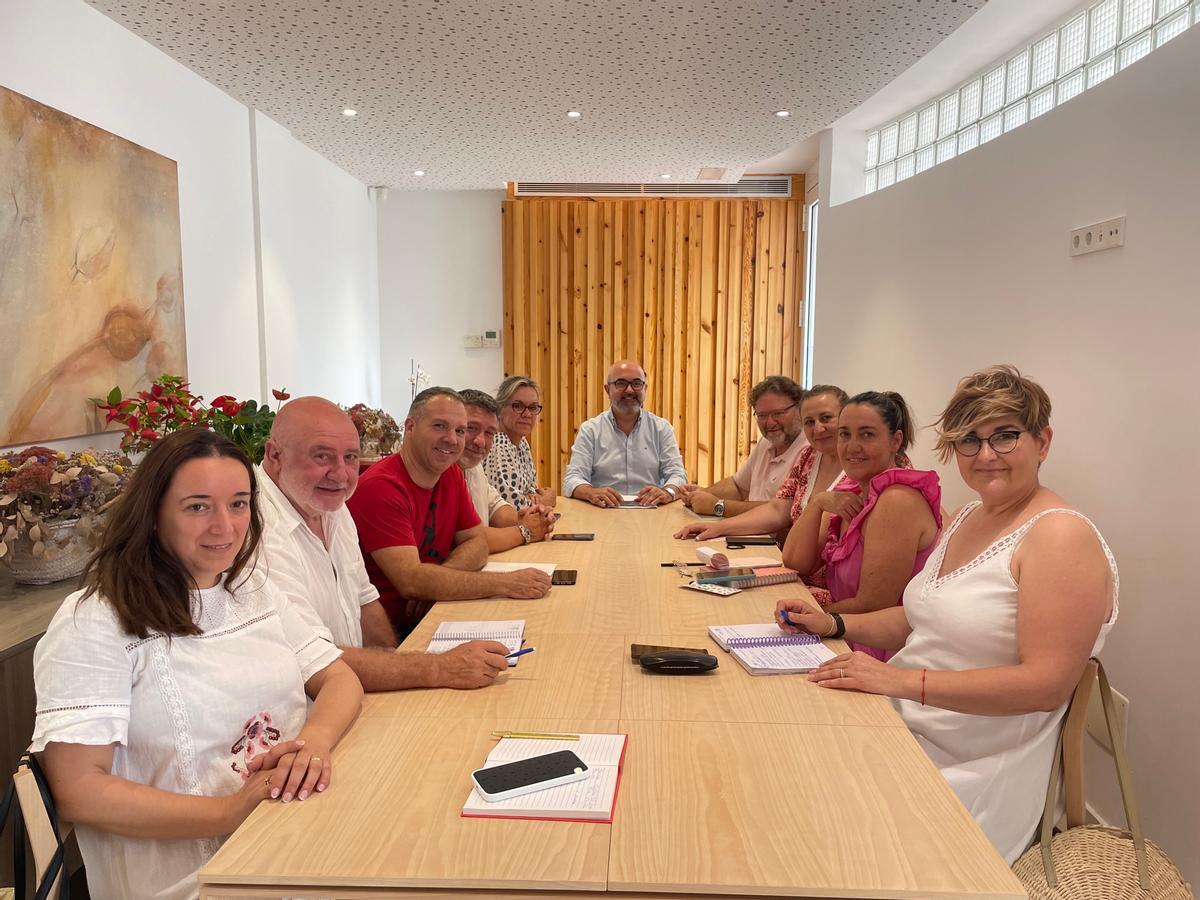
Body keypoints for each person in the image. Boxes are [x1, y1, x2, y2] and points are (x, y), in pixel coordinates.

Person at [776, 366, 1118, 866]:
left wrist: (898, 680)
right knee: (779, 761)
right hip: (909, 723)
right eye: (968, 441)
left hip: (973, 762)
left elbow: (1046, 685)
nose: (985, 456)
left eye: (1004, 436)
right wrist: (834, 626)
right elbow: (921, 620)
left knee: (806, 829)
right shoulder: (967, 518)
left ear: (1042, 441)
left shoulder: (1060, 537)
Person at [32, 428, 363, 900]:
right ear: (152, 515)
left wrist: (314, 743)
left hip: (291, 835)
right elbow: (79, 789)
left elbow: (339, 678)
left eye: (238, 504)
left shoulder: (251, 589)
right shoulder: (95, 623)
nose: (224, 527)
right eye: (197, 506)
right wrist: (229, 811)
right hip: (195, 877)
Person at [258, 396, 510, 690]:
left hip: (352, 692)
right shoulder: (254, 528)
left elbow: (365, 602)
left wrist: (397, 661)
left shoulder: (332, 506)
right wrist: (440, 668)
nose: (341, 474)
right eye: (322, 456)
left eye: (351, 457)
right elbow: (312, 658)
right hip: (302, 715)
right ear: (275, 455)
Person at [346, 387, 552, 638]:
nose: (453, 440)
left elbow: (477, 543)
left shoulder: (450, 474)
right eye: (439, 426)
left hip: (437, 611)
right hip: (394, 634)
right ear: (409, 427)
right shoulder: (382, 486)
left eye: (459, 431)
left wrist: (438, 583)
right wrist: (506, 583)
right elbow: (411, 580)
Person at [780, 390, 941, 659]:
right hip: (848, 638)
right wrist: (818, 502)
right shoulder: (853, 492)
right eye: (845, 434)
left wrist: (810, 615)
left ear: (895, 441)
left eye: (867, 434)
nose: (852, 446)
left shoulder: (897, 500)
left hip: (885, 654)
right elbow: (796, 561)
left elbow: (873, 606)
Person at [674, 385, 850, 601]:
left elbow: (807, 558)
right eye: (810, 422)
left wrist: (717, 508)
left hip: (824, 591)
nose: (818, 428)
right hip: (793, 573)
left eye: (826, 418)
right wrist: (717, 528)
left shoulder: (857, 471)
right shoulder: (809, 456)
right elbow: (778, 508)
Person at [562, 359, 687, 507]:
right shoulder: (590, 430)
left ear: (644, 388)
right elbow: (572, 479)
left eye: (636, 383)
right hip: (602, 512)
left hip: (652, 512)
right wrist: (591, 492)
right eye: (621, 383)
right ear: (607, 389)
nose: (629, 390)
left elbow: (678, 475)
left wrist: (668, 492)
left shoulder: (661, 429)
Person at [678, 375, 807, 517]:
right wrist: (703, 493)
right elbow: (738, 487)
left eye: (778, 413)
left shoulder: (810, 450)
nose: (770, 423)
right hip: (750, 533)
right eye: (762, 415)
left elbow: (784, 512)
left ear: (800, 409)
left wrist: (717, 506)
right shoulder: (765, 443)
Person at [458, 388, 556, 551]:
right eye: (471, 428)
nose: (480, 441)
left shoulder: (473, 466)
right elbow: (469, 539)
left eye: (489, 432)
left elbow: (497, 506)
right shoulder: (441, 470)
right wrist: (526, 531)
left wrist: (527, 520)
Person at [483, 374, 555, 509]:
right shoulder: (499, 443)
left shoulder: (521, 442)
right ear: (500, 408)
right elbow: (512, 507)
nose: (527, 414)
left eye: (533, 407)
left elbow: (532, 490)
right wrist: (546, 501)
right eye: (518, 406)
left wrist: (531, 497)